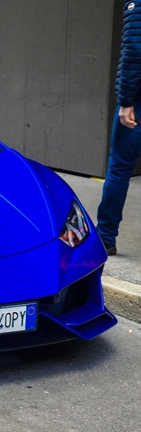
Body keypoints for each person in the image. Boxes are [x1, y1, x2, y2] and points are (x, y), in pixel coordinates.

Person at [96, 1, 141, 256]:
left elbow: (135, 51)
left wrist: (125, 101)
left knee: (120, 167)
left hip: (138, 103)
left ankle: (105, 237)